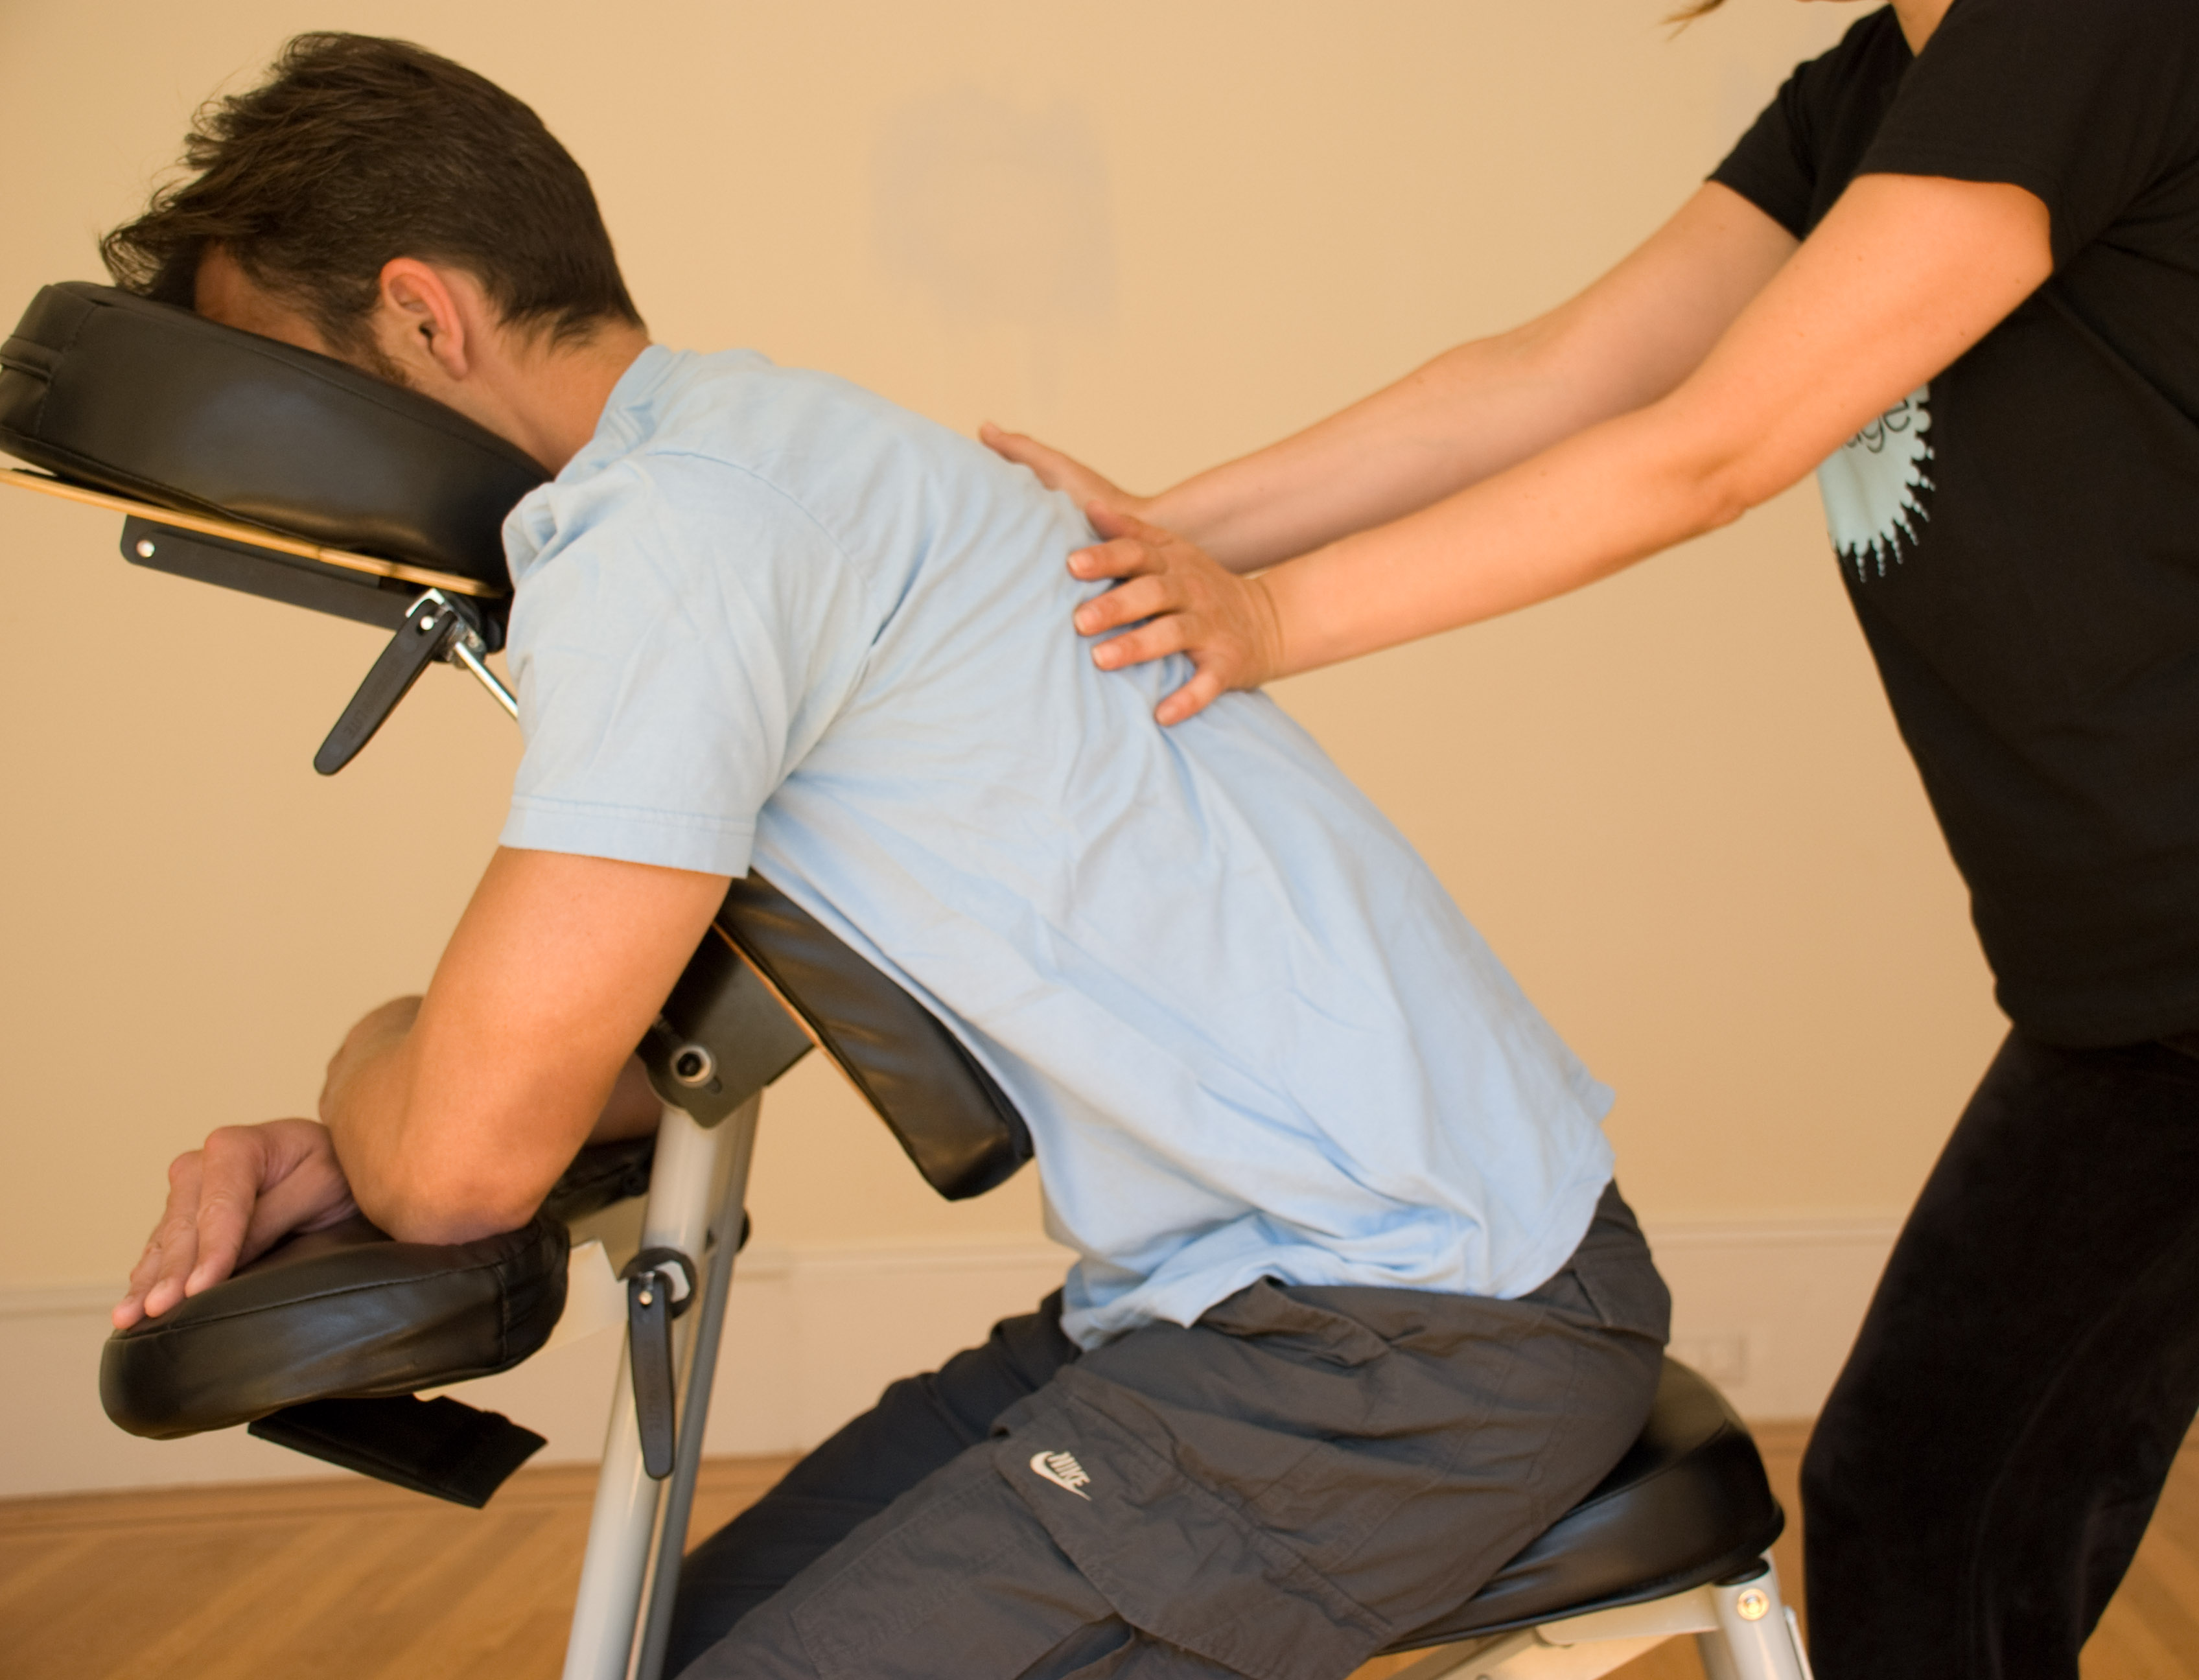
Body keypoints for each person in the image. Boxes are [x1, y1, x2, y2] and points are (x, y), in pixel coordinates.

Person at [102, 34, 1677, 1680]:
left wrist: (379, 1066)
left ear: (426, 318)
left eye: (290, 388)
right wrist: (377, 1126)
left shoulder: (673, 538)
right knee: (682, 1648)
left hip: (1413, 1335)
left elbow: (461, 1167)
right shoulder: (769, 452)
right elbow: (706, 1026)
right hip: (1257, 1293)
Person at [979, 0, 2199, 1675]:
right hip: (2151, 976)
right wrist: (1149, 544)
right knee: (1922, 1499)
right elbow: (1559, 377)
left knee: (1927, 1495)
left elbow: (1711, 451)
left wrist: (1267, 618)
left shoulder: (2097, 16)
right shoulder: (1867, 93)